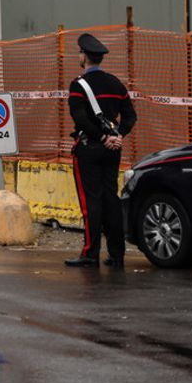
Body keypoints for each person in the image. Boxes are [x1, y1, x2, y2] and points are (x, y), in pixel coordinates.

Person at [65, 32, 137, 268]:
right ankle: (117, 254)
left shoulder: (78, 86)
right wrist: (117, 136)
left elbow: (81, 120)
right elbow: (130, 116)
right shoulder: (116, 83)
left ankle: (90, 253)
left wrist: (102, 136)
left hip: (89, 149)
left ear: (84, 57)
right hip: (112, 150)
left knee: (91, 202)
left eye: (80, 53)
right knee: (111, 200)